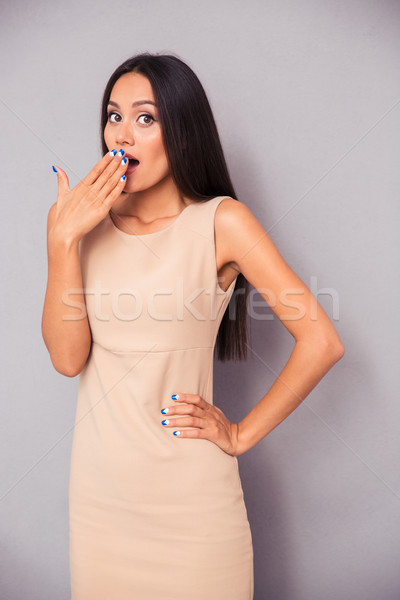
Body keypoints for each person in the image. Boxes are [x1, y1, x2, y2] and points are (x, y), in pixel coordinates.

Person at [41, 52, 345, 600]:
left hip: (192, 510)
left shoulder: (222, 221)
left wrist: (239, 433)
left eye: (146, 118)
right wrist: (61, 241)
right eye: (113, 116)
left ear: (181, 130)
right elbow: (67, 360)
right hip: (100, 507)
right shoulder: (81, 227)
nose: (123, 134)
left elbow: (322, 340)